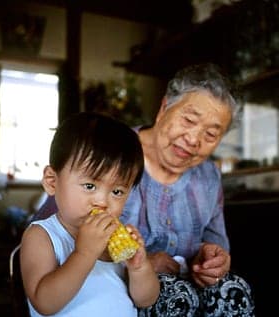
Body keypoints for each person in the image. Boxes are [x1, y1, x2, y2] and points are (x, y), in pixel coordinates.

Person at [34, 63, 255, 316]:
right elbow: (53, 230)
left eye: (211, 134)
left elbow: (215, 241)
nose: (194, 140)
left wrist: (212, 259)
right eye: (189, 120)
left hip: (188, 285)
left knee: (234, 289)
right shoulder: (110, 154)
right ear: (164, 108)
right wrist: (138, 266)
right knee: (175, 297)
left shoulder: (209, 177)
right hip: (128, 294)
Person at [19, 112, 160, 316]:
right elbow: (44, 303)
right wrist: (85, 254)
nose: (102, 202)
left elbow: (146, 300)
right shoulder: (42, 236)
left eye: (117, 192)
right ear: (52, 181)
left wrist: (139, 268)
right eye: (89, 185)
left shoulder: (114, 238)